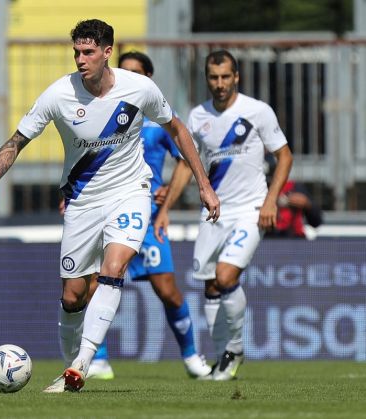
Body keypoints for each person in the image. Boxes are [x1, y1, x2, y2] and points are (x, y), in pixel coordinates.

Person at [0, 19, 220, 393]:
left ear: (107, 52)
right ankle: (71, 365)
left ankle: (83, 364)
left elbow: (178, 129)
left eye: (88, 52)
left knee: (114, 266)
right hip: (82, 201)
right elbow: (15, 141)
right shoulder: (59, 94)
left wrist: (203, 185)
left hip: (130, 191)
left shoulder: (140, 88)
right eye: (76, 52)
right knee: (73, 295)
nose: (80, 59)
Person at [154, 49, 293, 381]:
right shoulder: (198, 116)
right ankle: (222, 357)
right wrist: (164, 211)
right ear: (207, 79)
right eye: (213, 78)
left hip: (251, 209)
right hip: (214, 212)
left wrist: (271, 201)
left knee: (227, 276)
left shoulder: (257, 111)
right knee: (211, 287)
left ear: (236, 78)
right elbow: (188, 165)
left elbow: (284, 156)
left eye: (225, 77)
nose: (219, 84)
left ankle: (234, 350)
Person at [86, 51, 212, 381]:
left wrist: (168, 197)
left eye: (136, 73)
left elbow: (186, 157)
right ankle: (97, 358)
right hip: (107, 211)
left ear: (148, 79)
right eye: (123, 71)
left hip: (148, 215)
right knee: (95, 283)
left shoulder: (157, 121)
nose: (128, 78)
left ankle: (190, 357)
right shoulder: (100, 113)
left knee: (167, 289)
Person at [264, 155, 323, 238]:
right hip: (266, 240)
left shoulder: (294, 187)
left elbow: (316, 222)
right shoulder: (254, 193)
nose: (269, 185)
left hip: (294, 240)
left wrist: (307, 205)